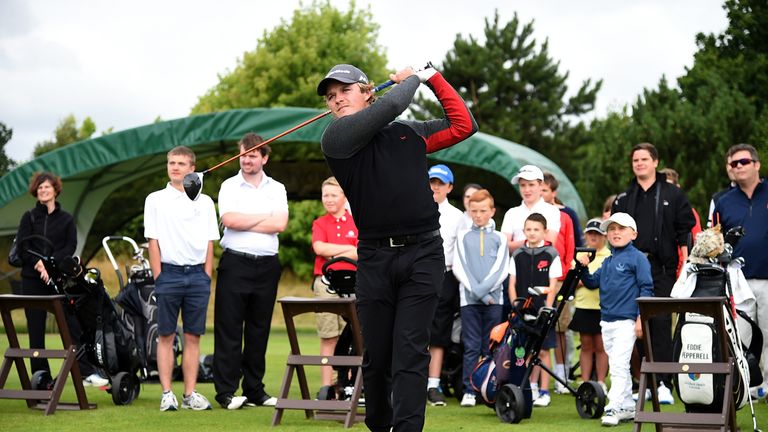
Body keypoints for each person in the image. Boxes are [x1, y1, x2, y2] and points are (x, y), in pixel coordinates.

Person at [317, 63, 477, 431]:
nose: (337, 99)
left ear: (367, 91)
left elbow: (464, 124)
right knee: (377, 358)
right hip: (375, 257)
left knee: (409, 352)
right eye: (331, 96)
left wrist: (434, 77)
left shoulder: (410, 133)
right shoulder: (337, 139)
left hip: (423, 253)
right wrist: (415, 78)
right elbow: (390, 107)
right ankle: (379, 425)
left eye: (345, 90)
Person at [611, 143, 695, 404]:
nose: (639, 163)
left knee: (658, 325)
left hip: (662, 270)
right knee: (633, 327)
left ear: (655, 162)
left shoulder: (673, 194)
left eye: (644, 159)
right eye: (635, 159)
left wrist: (687, 267)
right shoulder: (625, 198)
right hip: (629, 270)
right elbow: (615, 235)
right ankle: (644, 381)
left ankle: (663, 383)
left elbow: (685, 234)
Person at [213, 133, 288, 410]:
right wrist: (264, 218)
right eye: (244, 154)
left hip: (267, 265)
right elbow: (229, 219)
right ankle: (226, 392)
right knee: (229, 328)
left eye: (253, 155)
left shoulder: (277, 188)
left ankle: (255, 390)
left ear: (264, 158)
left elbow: (281, 223)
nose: (246, 159)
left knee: (259, 329)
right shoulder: (229, 185)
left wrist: (249, 220)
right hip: (236, 263)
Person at [14, 172, 107, 388]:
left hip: (58, 281)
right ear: (35, 192)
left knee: (72, 325)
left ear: (55, 190)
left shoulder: (66, 219)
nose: (43, 191)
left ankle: (85, 371)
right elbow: (23, 248)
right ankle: (41, 378)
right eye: (39, 188)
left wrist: (49, 264)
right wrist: (38, 264)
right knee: (35, 330)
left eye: (47, 187)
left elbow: (69, 247)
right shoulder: (28, 217)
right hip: (31, 281)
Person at [144, 146, 220, 411]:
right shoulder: (155, 199)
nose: (174, 167)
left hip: (198, 276)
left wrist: (206, 276)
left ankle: (189, 394)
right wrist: (159, 276)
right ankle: (167, 393)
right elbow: (153, 241)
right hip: (169, 274)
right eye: (171, 163)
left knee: (193, 337)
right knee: (165, 335)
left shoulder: (205, 201)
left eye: (180, 164)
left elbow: (211, 242)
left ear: (192, 168)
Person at [577, 212, 654, 427]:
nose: (615, 232)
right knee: (617, 364)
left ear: (634, 234)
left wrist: (641, 318)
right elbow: (592, 283)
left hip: (627, 321)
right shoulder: (609, 260)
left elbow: (647, 288)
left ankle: (614, 406)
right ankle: (628, 406)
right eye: (611, 229)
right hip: (607, 320)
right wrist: (582, 268)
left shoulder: (638, 258)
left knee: (619, 365)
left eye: (621, 229)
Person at [713, 143, 767, 399]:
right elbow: (714, 241)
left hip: (767, 279)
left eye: (743, 162)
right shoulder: (722, 202)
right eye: (733, 163)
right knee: (741, 337)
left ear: (756, 164)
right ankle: (747, 388)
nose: (738, 167)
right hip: (736, 281)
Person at [451, 189, 509, 408]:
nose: (478, 215)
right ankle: (469, 390)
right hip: (470, 302)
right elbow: (459, 267)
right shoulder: (463, 236)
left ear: (492, 211)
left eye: (483, 210)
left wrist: (484, 294)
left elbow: (500, 270)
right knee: (472, 346)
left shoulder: (500, 238)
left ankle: (490, 388)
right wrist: (480, 295)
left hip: (494, 301)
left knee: (491, 347)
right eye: (474, 211)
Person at [311, 176, 358, 392]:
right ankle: (326, 386)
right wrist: (348, 250)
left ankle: (348, 383)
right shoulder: (320, 223)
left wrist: (336, 249)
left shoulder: (356, 220)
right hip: (326, 283)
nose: (328, 199)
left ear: (344, 196)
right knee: (329, 334)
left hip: (355, 284)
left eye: (333, 195)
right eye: (325, 195)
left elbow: (362, 251)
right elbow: (319, 248)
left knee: (355, 335)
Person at [510, 213, 561, 407]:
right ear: (524, 231)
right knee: (525, 352)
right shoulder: (517, 254)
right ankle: (528, 388)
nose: (532, 233)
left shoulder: (551, 254)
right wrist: (516, 306)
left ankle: (544, 390)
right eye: (528, 229)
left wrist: (548, 308)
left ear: (544, 232)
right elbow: (512, 284)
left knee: (544, 351)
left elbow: (552, 285)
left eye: (536, 229)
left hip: (543, 312)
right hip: (522, 312)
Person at [425, 164, 464, 407]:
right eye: (432, 182)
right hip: (418, 276)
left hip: (446, 275)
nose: (435, 187)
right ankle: (413, 383)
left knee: (439, 334)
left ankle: (433, 384)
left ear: (449, 187)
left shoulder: (458, 216)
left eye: (440, 183)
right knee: (414, 331)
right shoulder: (414, 208)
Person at [541, 172, 576, 393]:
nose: (540, 193)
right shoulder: (531, 215)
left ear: (553, 192)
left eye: (544, 190)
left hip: (561, 279)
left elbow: (570, 248)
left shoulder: (565, 217)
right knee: (542, 330)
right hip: (538, 280)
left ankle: (562, 374)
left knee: (562, 328)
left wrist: (566, 276)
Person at [570, 218, 610, 390]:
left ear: (604, 236)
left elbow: (602, 281)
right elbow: (574, 280)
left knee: (601, 346)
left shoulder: (609, 256)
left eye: (597, 234)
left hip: (601, 307)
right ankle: (585, 382)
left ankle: (600, 382)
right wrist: (586, 279)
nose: (593, 237)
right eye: (590, 233)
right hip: (583, 306)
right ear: (585, 235)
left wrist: (586, 279)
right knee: (586, 346)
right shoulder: (579, 255)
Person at [501, 164, 560, 253]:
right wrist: (533, 241)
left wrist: (520, 244)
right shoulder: (511, 213)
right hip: (517, 264)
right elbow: (504, 245)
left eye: (531, 185)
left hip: (543, 264)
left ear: (540, 185)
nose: (527, 190)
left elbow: (549, 243)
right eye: (522, 185)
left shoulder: (552, 211)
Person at [659, 167, 702, 276]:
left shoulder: (688, 212)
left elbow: (695, 243)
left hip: (681, 269)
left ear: (677, 188)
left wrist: (684, 268)